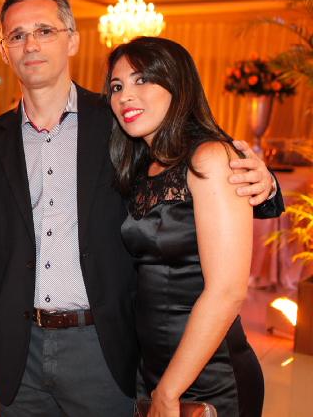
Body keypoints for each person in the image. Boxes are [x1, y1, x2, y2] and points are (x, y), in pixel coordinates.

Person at [0, 0, 283, 416]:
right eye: (17, 35)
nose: (30, 44)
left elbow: (188, 161)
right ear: (4, 49)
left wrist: (266, 183)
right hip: (19, 349)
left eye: (44, 31)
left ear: (73, 40)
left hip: (105, 344)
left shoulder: (120, 122)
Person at [106, 37, 265, 416]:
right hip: (154, 368)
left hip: (210, 373)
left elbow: (227, 291)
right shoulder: (141, 168)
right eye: (117, 86)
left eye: (142, 80)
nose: (126, 96)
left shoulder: (210, 157)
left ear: (178, 85)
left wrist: (169, 390)